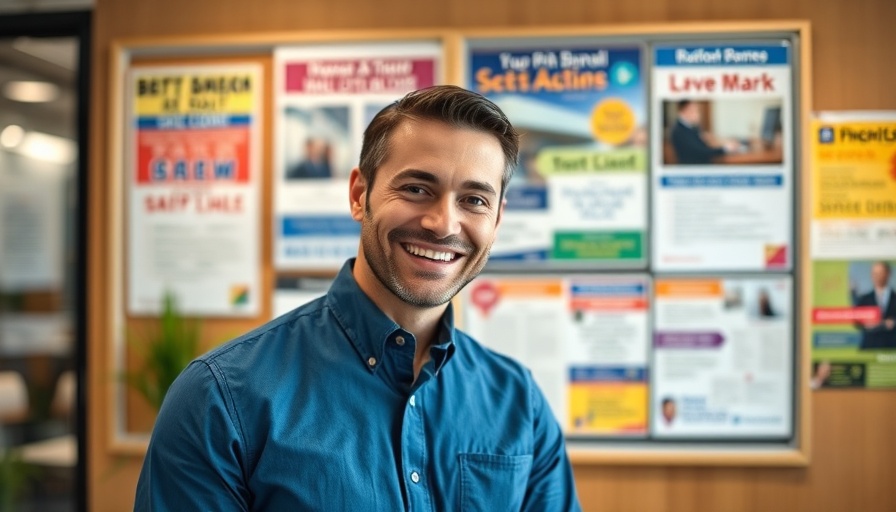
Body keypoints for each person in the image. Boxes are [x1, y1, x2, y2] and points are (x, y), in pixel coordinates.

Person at [135, 85, 581, 511]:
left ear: (498, 218)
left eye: (474, 200)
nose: (444, 223)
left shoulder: (519, 403)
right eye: (416, 189)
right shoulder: (222, 398)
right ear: (359, 194)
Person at [669, 99, 738, 165]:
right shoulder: (679, 131)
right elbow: (700, 152)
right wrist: (725, 149)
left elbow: (703, 143)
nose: (698, 114)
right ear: (685, 110)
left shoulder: (693, 127)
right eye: (694, 110)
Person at [855, 261, 896, 350]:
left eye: (880, 273)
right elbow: (856, 321)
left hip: (892, 347)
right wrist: (867, 323)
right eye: (874, 273)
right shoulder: (864, 299)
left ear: (888, 274)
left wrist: (892, 322)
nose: (877, 276)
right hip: (870, 346)